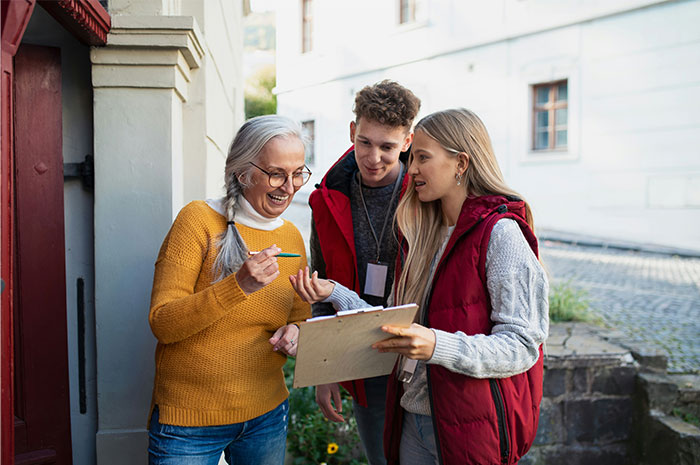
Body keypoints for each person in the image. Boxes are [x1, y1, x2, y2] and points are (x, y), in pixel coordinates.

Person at [291, 108, 549, 464]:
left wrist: (434, 345)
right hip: (412, 419)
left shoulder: (502, 235)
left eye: (422, 158)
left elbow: (522, 345)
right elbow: (390, 323)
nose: (410, 170)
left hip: (469, 427)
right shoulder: (421, 233)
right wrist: (334, 292)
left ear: (461, 163)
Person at [147, 114, 312, 465]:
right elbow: (163, 323)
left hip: (266, 414)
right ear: (243, 173)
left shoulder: (292, 237)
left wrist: (295, 332)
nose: (290, 186)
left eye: (298, 172)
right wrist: (238, 286)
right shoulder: (198, 221)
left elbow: (300, 315)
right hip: (189, 422)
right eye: (276, 173)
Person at [307, 80, 421, 465]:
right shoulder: (327, 200)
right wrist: (326, 369)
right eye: (365, 143)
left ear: (407, 141)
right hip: (363, 354)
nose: (374, 157)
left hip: (424, 354)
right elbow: (320, 288)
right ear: (352, 132)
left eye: (387, 147)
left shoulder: (427, 195)